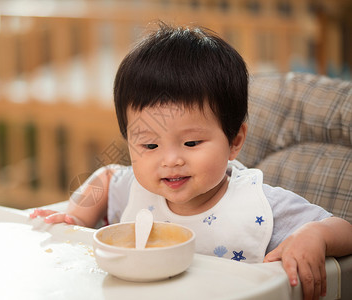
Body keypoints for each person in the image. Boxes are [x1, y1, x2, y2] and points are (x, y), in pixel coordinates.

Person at [30, 22, 352, 300]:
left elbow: (345, 230)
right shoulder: (137, 190)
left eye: (192, 142)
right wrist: (76, 217)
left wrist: (316, 236)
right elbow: (108, 176)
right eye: (150, 144)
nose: (170, 160)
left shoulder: (259, 206)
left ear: (235, 141)